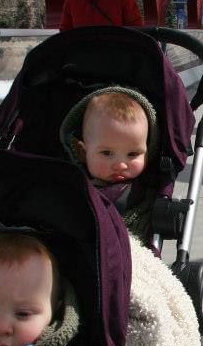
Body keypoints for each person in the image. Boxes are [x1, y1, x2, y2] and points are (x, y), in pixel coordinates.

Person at [60, 87, 157, 240]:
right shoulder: (73, 184)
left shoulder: (148, 188)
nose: (120, 165)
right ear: (83, 152)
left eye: (132, 154)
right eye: (107, 153)